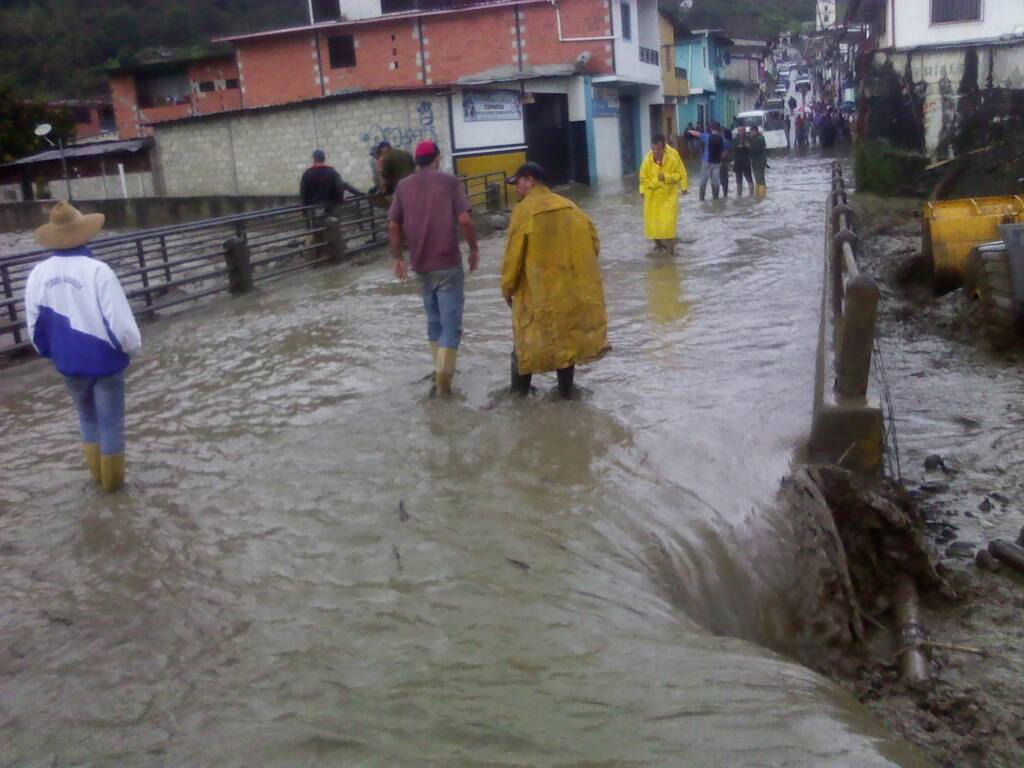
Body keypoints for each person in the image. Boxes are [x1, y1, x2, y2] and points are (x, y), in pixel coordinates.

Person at [24, 202, 142, 492]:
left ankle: (97, 480)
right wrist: (131, 349)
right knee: (111, 422)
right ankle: (114, 490)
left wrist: (51, 353)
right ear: (84, 233)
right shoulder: (98, 271)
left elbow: (34, 323)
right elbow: (122, 324)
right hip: (104, 362)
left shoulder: (38, 274)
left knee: (86, 417)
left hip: (69, 362)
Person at [501, 162, 608, 399]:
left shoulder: (523, 211)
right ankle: (566, 394)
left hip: (537, 293)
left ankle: (518, 397)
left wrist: (507, 288)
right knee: (565, 344)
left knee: (525, 342)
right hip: (568, 293)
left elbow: (513, 257)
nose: (515, 189)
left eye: (517, 183)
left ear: (529, 180)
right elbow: (594, 244)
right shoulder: (571, 207)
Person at [389, 140, 479, 397]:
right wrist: (474, 249)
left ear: (418, 161)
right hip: (448, 262)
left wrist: (398, 257)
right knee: (452, 325)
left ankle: (439, 370)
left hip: (420, 265)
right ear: (437, 158)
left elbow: (393, 226)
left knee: (434, 320)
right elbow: (465, 220)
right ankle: (444, 382)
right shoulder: (450, 182)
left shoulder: (403, 187)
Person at [639, 133, 688, 254]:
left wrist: (682, 186)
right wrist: (642, 191)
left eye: (658, 149)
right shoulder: (647, 160)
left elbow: (680, 173)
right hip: (652, 199)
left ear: (664, 147)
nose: (655, 152)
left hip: (668, 197)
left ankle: (670, 254)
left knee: (668, 226)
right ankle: (659, 247)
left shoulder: (672, 157)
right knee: (653, 226)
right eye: (653, 149)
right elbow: (642, 179)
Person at [299, 149, 362, 215]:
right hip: (331, 206)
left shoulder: (307, 173)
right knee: (333, 223)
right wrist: (340, 200)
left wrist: (304, 209)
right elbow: (340, 186)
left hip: (314, 207)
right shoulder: (332, 172)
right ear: (324, 159)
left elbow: (303, 192)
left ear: (314, 159)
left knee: (318, 224)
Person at [685, 122, 725, 201]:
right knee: (715, 182)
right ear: (719, 129)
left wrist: (689, 131)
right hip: (717, 163)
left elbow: (697, 134)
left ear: (711, 129)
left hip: (706, 162)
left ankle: (701, 199)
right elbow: (724, 150)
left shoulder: (707, 137)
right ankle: (716, 199)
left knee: (703, 182)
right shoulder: (722, 139)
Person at [732, 126, 754, 197]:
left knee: (749, 178)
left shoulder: (748, 138)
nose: (740, 132)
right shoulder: (735, 139)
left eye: (742, 130)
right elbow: (733, 149)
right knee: (738, 180)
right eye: (739, 130)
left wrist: (743, 145)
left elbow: (750, 148)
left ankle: (751, 195)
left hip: (746, 161)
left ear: (744, 131)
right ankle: (739, 196)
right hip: (737, 162)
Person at [749, 125, 769, 199]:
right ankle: (760, 195)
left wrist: (748, 148)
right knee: (760, 178)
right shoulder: (760, 138)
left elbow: (754, 151)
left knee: (759, 178)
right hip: (760, 161)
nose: (750, 133)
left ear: (755, 131)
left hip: (758, 162)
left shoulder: (757, 139)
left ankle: (760, 197)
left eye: (751, 131)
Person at [719, 127, 733, 198]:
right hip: (723, 163)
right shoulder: (726, 142)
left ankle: (721, 197)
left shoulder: (724, 142)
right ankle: (725, 196)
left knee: (720, 181)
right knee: (724, 182)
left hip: (719, 163)